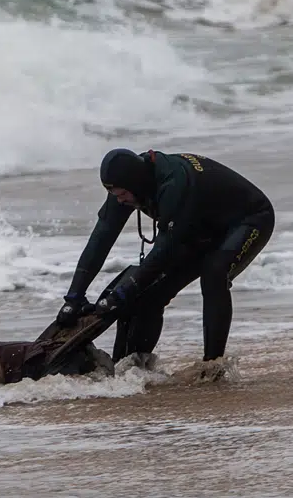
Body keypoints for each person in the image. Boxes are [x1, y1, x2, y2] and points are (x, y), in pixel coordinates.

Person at [56, 148, 275, 371]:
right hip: (197, 227)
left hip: (249, 219)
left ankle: (213, 366)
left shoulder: (174, 183)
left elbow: (163, 252)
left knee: (214, 273)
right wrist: (74, 297)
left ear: (136, 184)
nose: (120, 201)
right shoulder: (127, 184)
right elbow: (101, 239)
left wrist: (121, 294)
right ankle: (132, 369)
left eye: (122, 194)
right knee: (149, 295)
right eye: (115, 196)